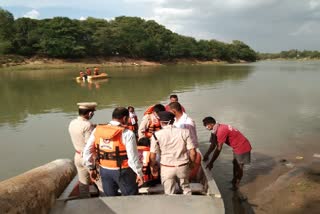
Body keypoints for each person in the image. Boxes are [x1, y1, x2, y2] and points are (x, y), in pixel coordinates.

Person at [83, 107, 144, 196]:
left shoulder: (97, 130)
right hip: (123, 171)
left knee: (110, 197)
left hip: (104, 170)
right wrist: (139, 173)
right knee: (131, 197)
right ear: (125, 118)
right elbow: (133, 157)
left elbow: (87, 151)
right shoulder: (127, 133)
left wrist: (91, 168)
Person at [149, 111, 196, 195]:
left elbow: (152, 156)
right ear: (173, 121)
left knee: (169, 193)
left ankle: (172, 206)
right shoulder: (185, 132)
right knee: (186, 190)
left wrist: (153, 166)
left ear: (161, 122)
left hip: (167, 167)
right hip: (183, 166)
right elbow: (193, 152)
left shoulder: (156, 135)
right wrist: (192, 163)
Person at [202, 116, 252, 190]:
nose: (205, 127)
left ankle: (236, 185)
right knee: (235, 164)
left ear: (212, 124)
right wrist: (206, 155)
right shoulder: (215, 130)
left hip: (243, 146)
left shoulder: (221, 130)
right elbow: (213, 145)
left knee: (239, 167)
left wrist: (211, 162)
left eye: (206, 125)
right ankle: (234, 180)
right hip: (236, 147)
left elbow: (218, 149)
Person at [68, 102, 97, 197]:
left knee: (83, 184)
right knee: (100, 181)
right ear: (89, 113)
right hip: (88, 158)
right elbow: (89, 144)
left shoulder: (72, 123)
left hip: (77, 156)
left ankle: (85, 203)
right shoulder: (88, 125)